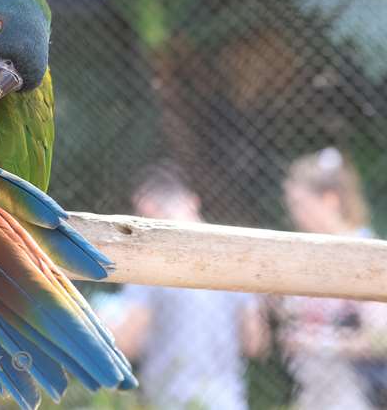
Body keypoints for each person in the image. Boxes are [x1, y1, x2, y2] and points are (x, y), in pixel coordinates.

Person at [104, 163, 267, 410]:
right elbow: (255, 342)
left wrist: (92, 321)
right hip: (227, 401)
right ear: (193, 201)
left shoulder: (152, 260)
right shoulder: (232, 253)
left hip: (171, 401)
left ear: (144, 208)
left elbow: (127, 343)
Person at [275, 147, 387, 410]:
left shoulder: (365, 253)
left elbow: (381, 338)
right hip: (313, 391)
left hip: (357, 393)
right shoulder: (307, 254)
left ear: (330, 200)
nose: (295, 214)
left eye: (301, 204)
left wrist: (320, 344)